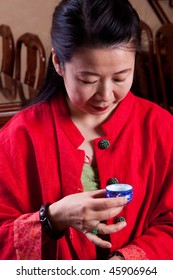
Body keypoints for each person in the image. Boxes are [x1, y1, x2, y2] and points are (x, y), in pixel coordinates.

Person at [0, 0, 173, 260]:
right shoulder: (21, 135)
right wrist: (53, 218)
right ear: (58, 63)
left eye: (120, 77)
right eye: (88, 80)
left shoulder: (161, 126)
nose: (105, 95)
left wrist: (127, 263)